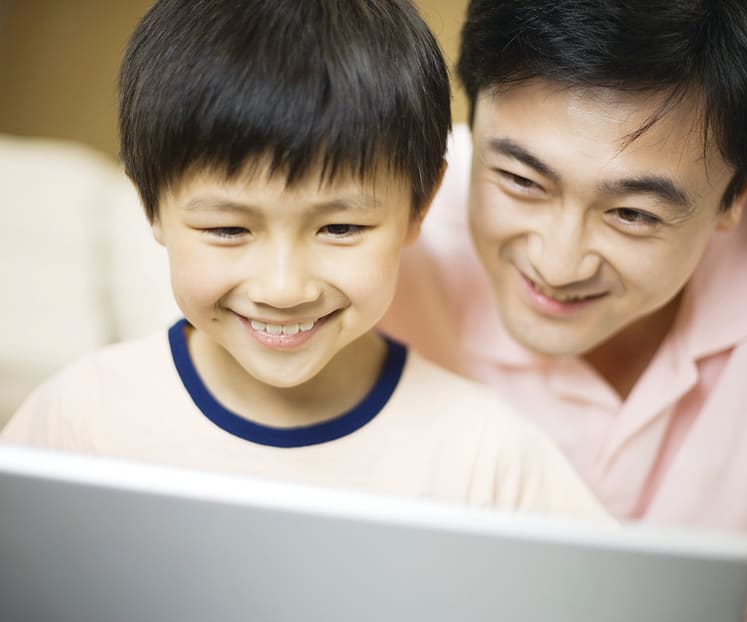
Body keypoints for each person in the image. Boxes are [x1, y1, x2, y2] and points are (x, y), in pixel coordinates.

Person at [0, 0, 608, 521]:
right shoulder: (77, 423)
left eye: (341, 227)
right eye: (229, 228)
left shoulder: (490, 460)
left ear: (419, 205)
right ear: (151, 206)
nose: (284, 287)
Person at [380, 0, 747, 618]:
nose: (560, 265)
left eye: (632, 214)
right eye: (521, 180)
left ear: (737, 196)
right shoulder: (372, 227)